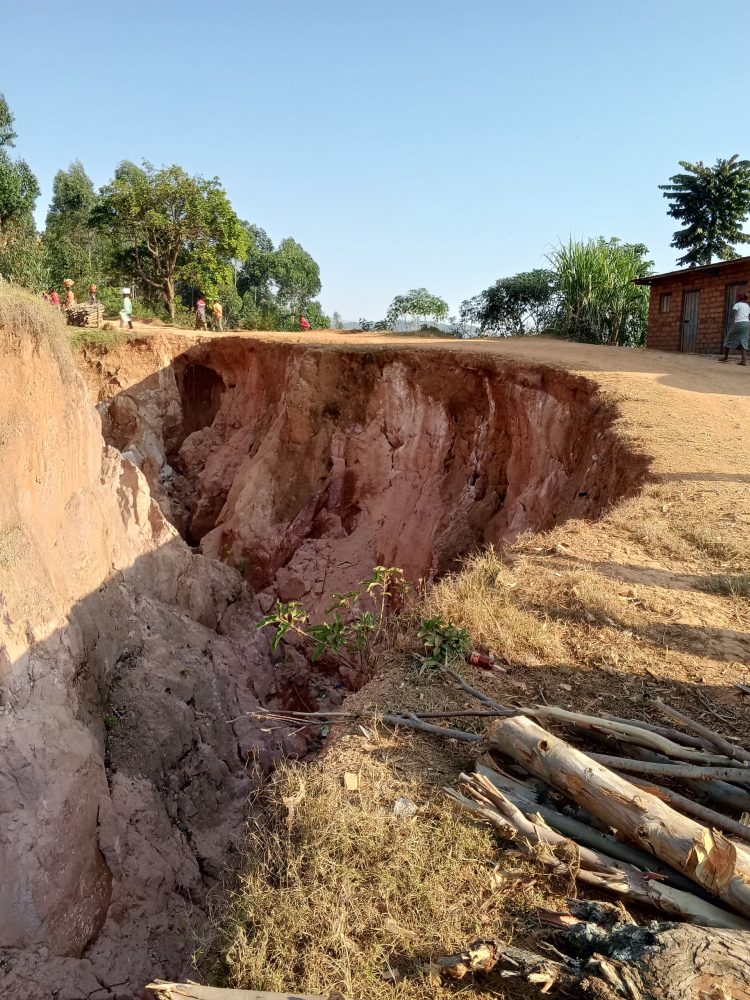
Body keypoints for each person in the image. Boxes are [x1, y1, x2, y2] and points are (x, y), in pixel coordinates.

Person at [721, 291, 750, 366]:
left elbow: (733, 313)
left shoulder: (737, 304)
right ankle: (744, 360)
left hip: (739, 323)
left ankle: (726, 357)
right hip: (747, 324)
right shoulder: (747, 306)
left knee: (729, 338)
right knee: (743, 340)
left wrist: (734, 319)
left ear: (739, 297)